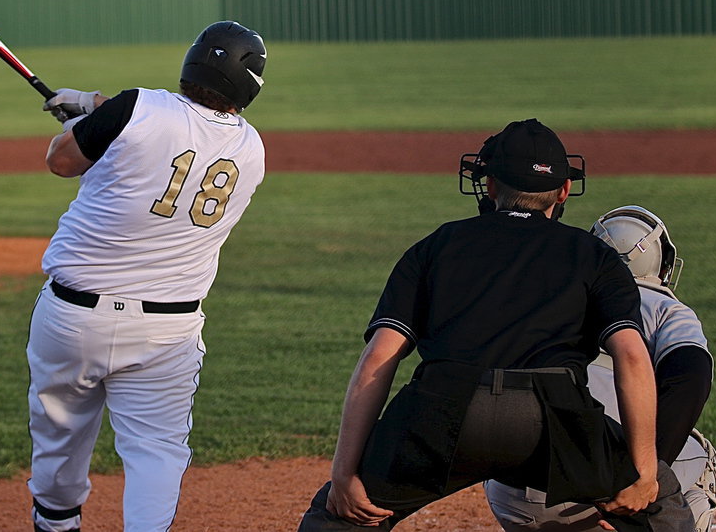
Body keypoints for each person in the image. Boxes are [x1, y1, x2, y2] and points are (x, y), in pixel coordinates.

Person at [297, 118, 693, 532]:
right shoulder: (594, 254)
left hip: (443, 408)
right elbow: (631, 356)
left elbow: (379, 357)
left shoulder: (437, 246)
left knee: (338, 515)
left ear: (488, 186)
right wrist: (644, 473)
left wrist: (344, 473)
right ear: (563, 191)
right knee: (658, 499)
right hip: (555, 416)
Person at [26, 21, 267, 532]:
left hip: (72, 319)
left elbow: (60, 161)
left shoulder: (137, 106)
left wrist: (88, 119)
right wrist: (98, 108)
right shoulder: (252, 151)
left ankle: (55, 524)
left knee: (59, 436)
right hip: (167, 330)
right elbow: (170, 132)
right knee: (157, 451)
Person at [485, 205, 716, 532]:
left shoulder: (547, 298)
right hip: (606, 489)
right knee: (698, 453)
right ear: (659, 262)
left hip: (517, 492)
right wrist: (645, 477)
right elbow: (691, 376)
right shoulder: (665, 307)